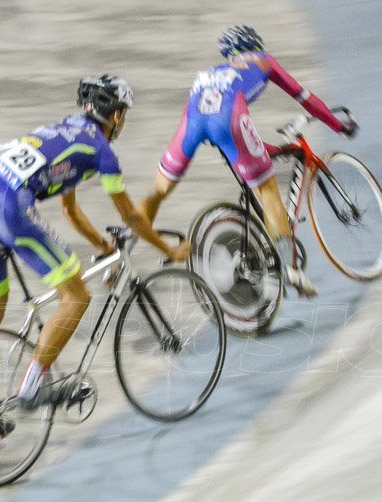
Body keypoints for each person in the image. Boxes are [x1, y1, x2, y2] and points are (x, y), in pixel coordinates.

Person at [0, 74, 190, 436]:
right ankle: (31, 388)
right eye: (124, 114)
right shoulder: (102, 152)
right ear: (115, 116)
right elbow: (131, 216)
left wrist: (102, 247)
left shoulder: (65, 131)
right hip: (12, 212)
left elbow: (69, 210)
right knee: (76, 296)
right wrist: (169, 249)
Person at [138, 25, 357, 299]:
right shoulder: (263, 59)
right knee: (267, 190)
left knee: (158, 189)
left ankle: (121, 245)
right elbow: (306, 98)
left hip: (193, 120)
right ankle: (291, 271)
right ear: (255, 45)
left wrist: (263, 149)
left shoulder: (214, 71)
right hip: (228, 117)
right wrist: (338, 126)